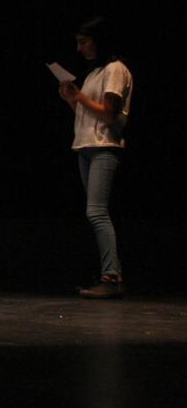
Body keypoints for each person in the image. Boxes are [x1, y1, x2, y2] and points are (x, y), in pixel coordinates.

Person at [58, 16, 132, 299]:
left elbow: (108, 114)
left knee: (97, 211)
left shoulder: (115, 70)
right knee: (95, 212)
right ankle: (109, 272)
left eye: (84, 42)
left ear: (99, 40)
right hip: (87, 146)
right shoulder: (94, 73)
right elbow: (88, 116)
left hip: (104, 147)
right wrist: (71, 99)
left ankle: (111, 277)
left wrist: (80, 98)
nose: (80, 48)